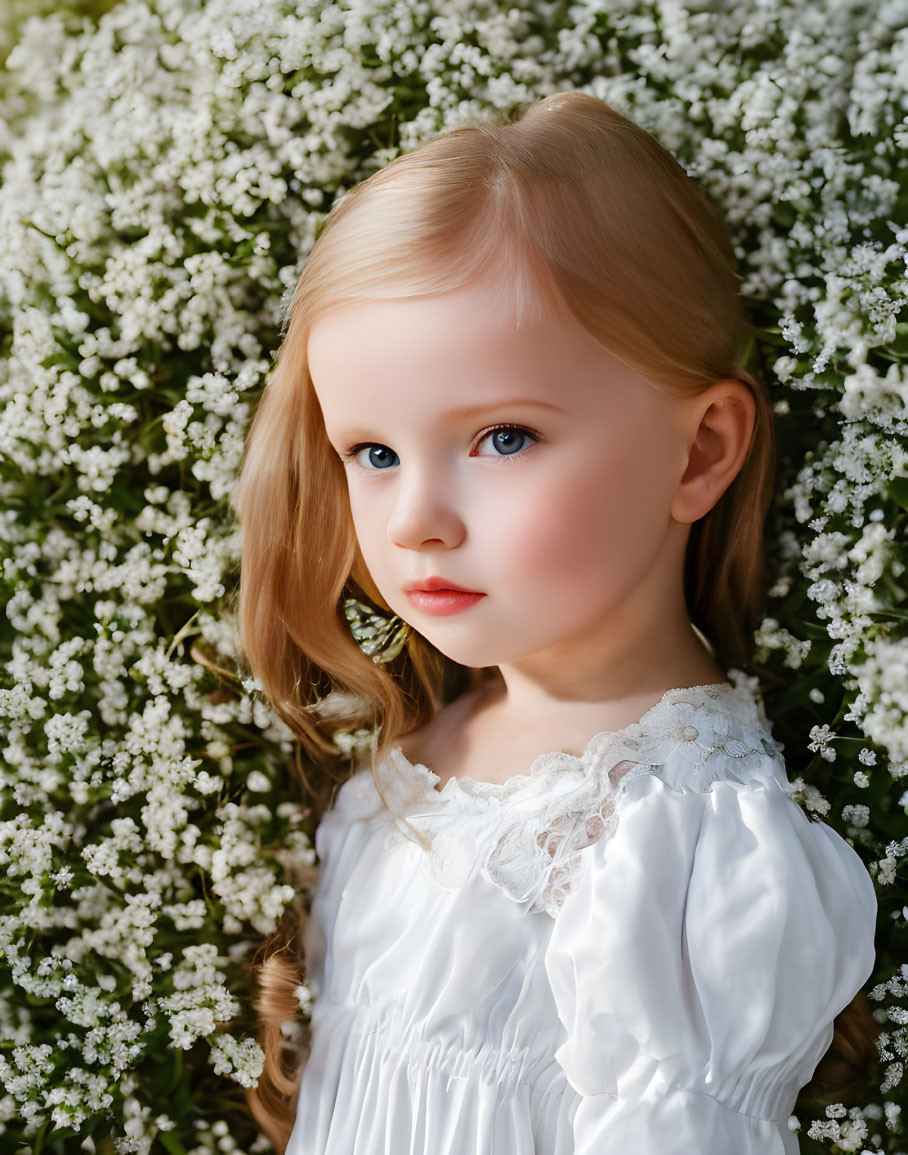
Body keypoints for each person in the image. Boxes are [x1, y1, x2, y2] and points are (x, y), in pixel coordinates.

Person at [232, 90, 879, 1154]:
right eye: (373, 453)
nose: (416, 523)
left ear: (700, 451)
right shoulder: (431, 743)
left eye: (501, 439)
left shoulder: (680, 842)